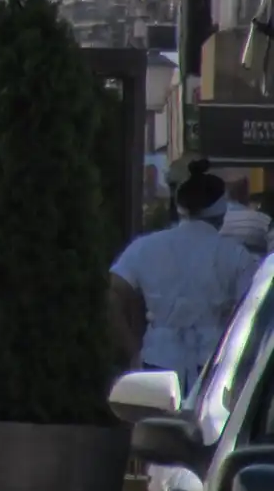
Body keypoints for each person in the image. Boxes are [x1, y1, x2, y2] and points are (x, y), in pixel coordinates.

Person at [110, 160, 262, 392]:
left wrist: (132, 350)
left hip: (157, 360)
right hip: (213, 363)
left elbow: (113, 294)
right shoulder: (236, 256)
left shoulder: (144, 247)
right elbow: (252, 309)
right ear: (222, 213)